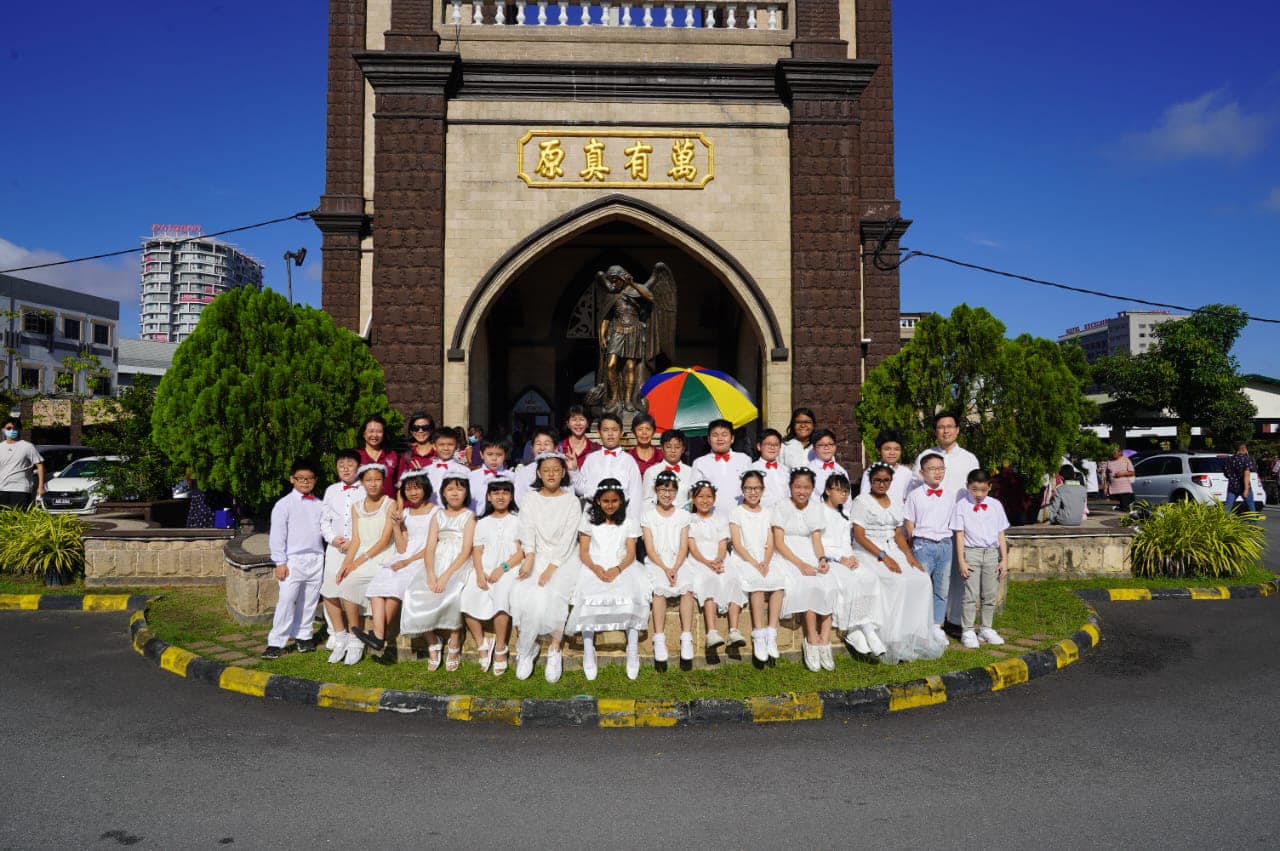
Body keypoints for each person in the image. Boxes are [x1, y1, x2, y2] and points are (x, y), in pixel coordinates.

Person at [851, 462, 947, 664]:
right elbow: (859, 535)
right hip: (870, 551)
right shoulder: (862, 501)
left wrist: (910, 557)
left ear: (891, 481)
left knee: (921, 580)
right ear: (871, 481)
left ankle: (916, 633)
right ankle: (893, 637)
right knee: (897, 581)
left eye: (886, 480)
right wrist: (883, 557)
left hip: (894, 548)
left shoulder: (895, 502)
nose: (881, 484)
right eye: (877, 480)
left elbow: (898, 534)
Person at [566, 478, 651, 681]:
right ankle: (588, 649)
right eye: (605, 501)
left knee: (631, 594)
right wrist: (595, 568)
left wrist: (618, 568)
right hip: (593, 564)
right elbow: (584, 552)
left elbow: (631, 552)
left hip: (621, 564)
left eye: (614, 501)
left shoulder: (628, 522)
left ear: (621, 501)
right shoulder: (588, 521)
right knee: (586, 596)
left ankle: (632, 648)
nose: (610, 505)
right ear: (598, 501)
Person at [509, 452, 583, 681]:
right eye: (546, 470)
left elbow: (569, 538)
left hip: (565, 557)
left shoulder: (571, 500)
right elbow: (526, 529)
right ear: (539, 473)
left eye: (556, 469)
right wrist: (530, 556)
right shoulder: (530, 499)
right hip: (536, 554)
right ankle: (526, 648)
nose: (551, 474)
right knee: (521, 591)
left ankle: (554, 648)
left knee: (555, 592)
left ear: (563, 473)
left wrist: (552, 567)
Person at [355, 469, 438, 660]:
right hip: (403, 556)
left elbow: (432, 545)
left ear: (425, 488)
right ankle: (378, 635)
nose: (413, 492)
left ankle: (380, 635)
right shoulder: (405, 513)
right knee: (377, 587)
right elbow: (401, 547)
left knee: (395, 587)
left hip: (423, 558)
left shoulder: (436, 512)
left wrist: (407, 562)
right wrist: (395, 525)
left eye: (417, 488)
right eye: (408, 489)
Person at [399, 474, 475, 672]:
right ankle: (433, 641)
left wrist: (446, 575)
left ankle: (455, 641)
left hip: (458, 562)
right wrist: (431, 573)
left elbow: (467, 550)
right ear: (443, 493)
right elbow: (430, 546)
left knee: (453, 593)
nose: (455, 493)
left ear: (466, 492)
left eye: (459, 489)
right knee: (414, 591)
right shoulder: (437, 515)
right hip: (437, 560)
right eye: (450, 489)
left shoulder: (469, 516)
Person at [772, 467, 839, 672]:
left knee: (828, 583)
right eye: (798, 486)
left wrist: (821, 559)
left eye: (807, 487)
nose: (802, 491)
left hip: (809, 551)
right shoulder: (781, 506)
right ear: (791, 487)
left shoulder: (816, 508)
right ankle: (811, 638)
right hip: (788, 555)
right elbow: (779, 542)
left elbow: (816, 539)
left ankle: (824, 640)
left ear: (812, 489)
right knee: (808, 585)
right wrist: (800, 565)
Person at [329, 464, 395, 665]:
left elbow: (384, 540)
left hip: (383, 555)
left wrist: (358, 561)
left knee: (359, 583)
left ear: (383, 481)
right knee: (342, 582)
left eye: (377, 479)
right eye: (368, 480)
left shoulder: (390, 504)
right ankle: (352, 636)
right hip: (362, 552)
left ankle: (366, 637)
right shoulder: (356, 506)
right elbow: (356, 540)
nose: (373, 484)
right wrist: (346, 564)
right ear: (362, 483)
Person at [460, 476, 524, 676]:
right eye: (496, 493)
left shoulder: (518, 520)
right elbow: (477, 551)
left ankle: (501, 647)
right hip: (484, 567)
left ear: (511, 496)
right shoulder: (482, 522)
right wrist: (479, 573)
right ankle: (482, 643)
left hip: (509, 567)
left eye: (505, 492)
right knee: (467, 596)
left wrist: (502, 568)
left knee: (501, 596)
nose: (500, 496)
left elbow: (522, 552)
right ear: (488, 496)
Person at [261, 460, 325, 659]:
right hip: (293, 560)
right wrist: (280, 562)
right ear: (292, 479)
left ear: (315, 480)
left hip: (316, 557)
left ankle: (304, 635)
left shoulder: (320, 504)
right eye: (301, 479)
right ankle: (276, 641)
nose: (305, 482)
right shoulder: (283, 505)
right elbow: (277, 536)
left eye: (309, 479)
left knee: (309, 600)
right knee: (287, 600)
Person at [820, 473, 887, 658]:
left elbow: (845, 542)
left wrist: (850, 557)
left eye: (846, 491)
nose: (843, 495)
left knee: (869, 578)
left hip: (845, 557)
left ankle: (867, 627)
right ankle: (855, 631)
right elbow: (819, 543)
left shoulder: (845, 514)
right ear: (827, 491)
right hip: (828, 558)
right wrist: (839, 559)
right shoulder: (819, 512)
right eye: (839, 490)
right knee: (848, 581)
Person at [950, 469, 1010, 649]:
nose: (978, 494)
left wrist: (1004, 559)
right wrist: (961, 560)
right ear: (967, 487)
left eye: (983, 490)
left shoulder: (995, 505)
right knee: (970, 594)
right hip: (972, 552)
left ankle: (986, 628)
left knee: (990, 593)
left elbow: (1001, 533)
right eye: (974, 490)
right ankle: (968, 629)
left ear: (989, 488)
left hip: (991, 553)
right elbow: (959, 535)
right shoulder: (961, 506)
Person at [639, 470, 694, 664]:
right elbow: (650, 548)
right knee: (659, 590)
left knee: (687, 586)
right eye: (663, 489)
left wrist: (675, 567)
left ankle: (687, 636)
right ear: (656, 490)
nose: (667, 494)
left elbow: (683, 546)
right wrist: (665, 568)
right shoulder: (647, 516)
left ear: (676, 492)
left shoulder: (683, 516)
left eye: (671, 490)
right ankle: (659, 637)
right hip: (656, 561)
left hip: (678, 561)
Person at [686, 480, 746, 652]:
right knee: (709, 579)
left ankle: (734, 630)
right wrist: (707, 563)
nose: (705, 501)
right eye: (701, 497)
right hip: (699, 560)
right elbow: (693, 547)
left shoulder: (720, 519)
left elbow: (722, 544)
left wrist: (719, 559)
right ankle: (711, 632)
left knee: (733, 579)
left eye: (709, 497)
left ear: (714, 498)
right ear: (693, 498)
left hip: (719, 558)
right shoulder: (690, 520)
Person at [729, 470, 782, 662]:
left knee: (778, 583)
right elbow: (737, 543)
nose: (753, 492)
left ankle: (771, 633)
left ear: (763, 489)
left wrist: (766, 562)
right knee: (757, 585)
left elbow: (771, 541)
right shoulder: (736, 513)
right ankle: (758, 633)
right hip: (744, 558)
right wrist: (754, 563)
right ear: (742, 490)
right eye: (748, 488)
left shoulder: (768, 513)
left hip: (764, 558)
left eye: (756, 488)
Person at [902, 452, 954, 642]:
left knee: (942, 588)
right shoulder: (915, 496)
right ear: (922, 472)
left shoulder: (949, 496)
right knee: (921, 586)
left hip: (945, 545)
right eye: (932, 469)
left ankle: (936, 625)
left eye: (940, 468)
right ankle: (918, 624)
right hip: (923, 545)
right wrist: (911, 548)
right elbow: (909, 523)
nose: (937, 472)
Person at [318, 450, 365, 648]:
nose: (346, 469)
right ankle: (337, 632)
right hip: (335, 549)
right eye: (341, 465)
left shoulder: (366, 490)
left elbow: (370, 522)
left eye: (350, 464)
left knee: (351, 590)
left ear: (359, 467)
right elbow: (324, 520)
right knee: (329, 589)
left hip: (359, 549)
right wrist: (332, 538)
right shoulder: (331, 490)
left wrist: (354, 541)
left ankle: (355, 635)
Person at [576, 413, 643, 509]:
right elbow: (580, 489)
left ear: (621, 432)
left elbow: (636, 495)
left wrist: (633, 522)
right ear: (599, 433)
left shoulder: (629, 461)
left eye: (614, 430)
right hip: (593, 513)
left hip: (621, 516)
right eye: (605, 430)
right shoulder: (591, 459)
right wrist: (573, 470)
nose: (610, 434)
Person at [691, 419, 752, 514]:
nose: (720, 438)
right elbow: (693, 494)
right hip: (710, 519)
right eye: (715, 435)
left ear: (732, 438)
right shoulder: (700, 463)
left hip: (740, 518)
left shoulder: (744, 460)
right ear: (708, 439)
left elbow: (751, 489)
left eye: (724, 435)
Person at [912, 412, 980, 497]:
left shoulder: (969, 459)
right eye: (941, 427)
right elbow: (914, 486)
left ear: (957, 429)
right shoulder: (924, 456)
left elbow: (977, 489)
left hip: (959, 509)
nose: (946, 431)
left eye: (949, 426)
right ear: (935, 432)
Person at [0, 418, 44, 509]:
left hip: (20, 489)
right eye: (9, 428)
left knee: (18, 519)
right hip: (2, 489)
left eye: (15, 428)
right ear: (3, 429)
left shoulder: (27, 446)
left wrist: (40, 487)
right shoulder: (1, 447)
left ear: (19, 430)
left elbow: (40, 466)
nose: (12, 431)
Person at [642, 428, 692, 508]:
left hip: (684, 518)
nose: (673, 451)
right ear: (662, 448)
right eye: (668, 447)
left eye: (677, 447)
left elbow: (692, 500)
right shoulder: (651, 472)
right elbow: (646, 501)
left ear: (683, 449)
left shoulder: (691, 472)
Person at [859, 430, 912, 504]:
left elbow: (909, 500)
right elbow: (864, 499)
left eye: (896, 449)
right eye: (887, 449)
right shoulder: (870, 472)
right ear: (879, 450)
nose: (892, 453)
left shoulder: (907, 474)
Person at [355, 415, 399, 498]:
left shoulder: (392, 455)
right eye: (371, 431)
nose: (375, 435)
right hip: (362, 507)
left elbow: (399, 485)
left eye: (379, 431)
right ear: (364, 434)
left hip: (388, 507)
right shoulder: (354, 456)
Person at [425, 429, 471, 507]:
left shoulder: (464, 471)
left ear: (456, 446)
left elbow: (469, 495)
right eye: (441, 444)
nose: (446, 448)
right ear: (434, 446)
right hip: (431, 514)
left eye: (450, 444)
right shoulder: (426, 471)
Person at [750, 428, 790, 508]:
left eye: (776, 445)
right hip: (762, 515)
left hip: (784, 515)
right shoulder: (752, 469)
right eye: (768, 444)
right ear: (759, 446)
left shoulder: (785, 470)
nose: (772, 448)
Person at [468, 439, 511, 515]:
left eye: (499, 455)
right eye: (490, 454)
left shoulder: (512, 477)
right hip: (477, 520)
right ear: (481, 454)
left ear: (505, 455)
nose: (494, 459)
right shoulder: (471, 476)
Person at [806, 429, 850, 497]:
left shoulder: (841, 470)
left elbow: (847, 497)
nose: (826, 448)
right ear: (814, 448)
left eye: (830, 444)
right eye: (821, 445)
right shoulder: (809, 471)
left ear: (835, 446)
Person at [397, 412, 438, 478]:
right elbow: (401, 483)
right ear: (411, 431)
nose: (420, 431)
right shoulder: (407, 456)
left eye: (425, 427)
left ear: (431, 430)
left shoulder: (439, 453)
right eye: (415, 428)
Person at [558, 405, 598, 473]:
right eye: (574, 419)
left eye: (581, 419)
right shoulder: (559, 448)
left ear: (588, 423)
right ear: (568, 424)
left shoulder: (596, 449)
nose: (578, 423)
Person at [1224, 441, 1258, 513]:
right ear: (1243, 449)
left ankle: (1221, 522)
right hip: (1243, 486)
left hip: (1232, 486)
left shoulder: (1229, 459)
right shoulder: (1246, 459)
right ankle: (1253, 522)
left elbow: (1226, 474)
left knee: (1227, 507)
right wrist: (1246, 489)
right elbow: (1246, 474)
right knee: (1251, 508)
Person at [628, 413, 663, 478]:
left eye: (648, 429)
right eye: (640, 429)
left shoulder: (661, 456)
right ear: (634, 432)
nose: (644, 433)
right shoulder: (628, 458)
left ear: (654, 431)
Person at [1103, 446, 1135, 514]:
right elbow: (1106, 476)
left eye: (1114, 452)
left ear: (1120, 452)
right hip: (1113, 491)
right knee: (1115, 512)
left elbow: (1132, 473)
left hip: (1124, 490)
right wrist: (1105, 487)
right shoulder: (1109, 462)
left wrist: (1123, 473)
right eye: (1112, 452)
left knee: (1125, 510)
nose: (1113, 454)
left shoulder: (1126, 460)